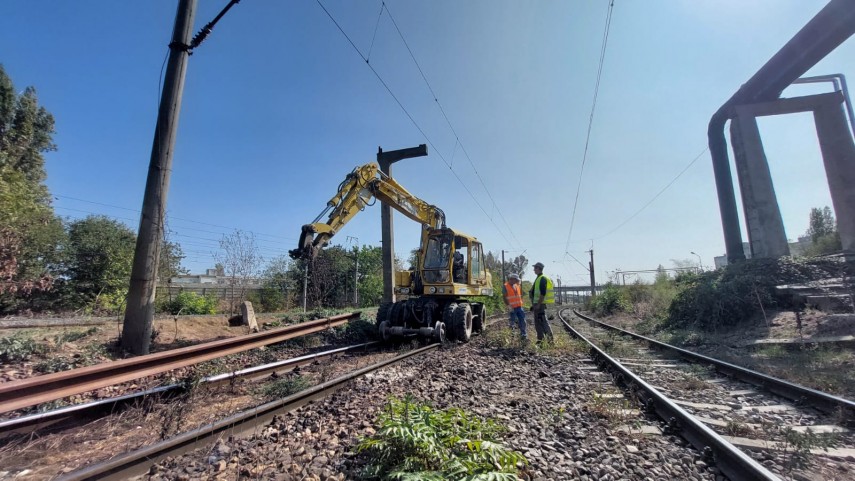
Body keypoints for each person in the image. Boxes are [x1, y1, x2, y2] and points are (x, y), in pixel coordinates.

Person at [529, 262, 554, 345]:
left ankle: (550, 341)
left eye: (535, 268)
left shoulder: (542, 278)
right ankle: (540, 341)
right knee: (537, 323)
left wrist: (539, 304)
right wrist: (534, 305)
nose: (534, 270)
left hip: (540, 304)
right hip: (537, 304)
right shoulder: (538, 278)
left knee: (543, 321)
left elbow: (542, 293)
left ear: (539, 268)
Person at [502, 273, 527, 340]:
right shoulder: (505, 286)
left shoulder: (516, 285)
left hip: (519, 306)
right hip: (512, 307)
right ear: (512, 279)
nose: (517, 281)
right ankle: (512, 336)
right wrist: (508, 306)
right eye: (516, 280)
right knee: (512, 322)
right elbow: (504, 297)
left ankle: (523, 335)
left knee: (522, 321)